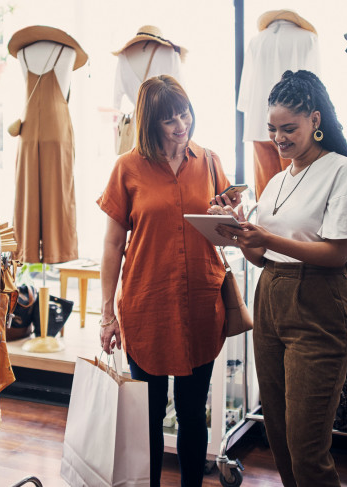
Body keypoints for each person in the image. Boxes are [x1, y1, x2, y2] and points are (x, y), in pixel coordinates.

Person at [216, 70, 347, 486]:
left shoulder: (343, 173)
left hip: (320, 306)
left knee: (307, 447)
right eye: (273, 129)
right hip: (271, 302)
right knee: (281, 439)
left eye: (289, 128)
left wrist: (267, 236)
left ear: (315, 121)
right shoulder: (276, 182)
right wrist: (238, 231)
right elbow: (260, 256)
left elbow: (336, 253)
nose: (279, 139)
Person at [97, 74, 240, 487]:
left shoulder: (210, 161)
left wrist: (228, 220)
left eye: (185, 113)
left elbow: (230, 232)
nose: (182, 125)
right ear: (149, 123)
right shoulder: (127, 168)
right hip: (147, 306)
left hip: (201, 303)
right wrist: (107, 315)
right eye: (170, 120)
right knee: (150, 415)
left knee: (194, 412)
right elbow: (111, 245)